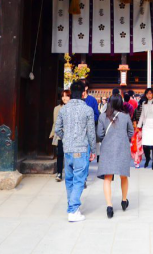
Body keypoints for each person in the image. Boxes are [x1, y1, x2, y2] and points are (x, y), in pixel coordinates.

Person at [54, 81, 96, 222]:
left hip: (68, 149)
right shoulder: (88, 110)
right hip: (81, 149)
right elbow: (91, 132)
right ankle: (73, 210)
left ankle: (71, 205)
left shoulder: (64, 109)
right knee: (79, 179)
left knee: (69, 179)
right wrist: (94, 149)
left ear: (71, 93)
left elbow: (57, 129)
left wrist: (65, 138)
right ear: (83, 93)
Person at [97, 93, 135, 219]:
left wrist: (108, 139)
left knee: (107, 178)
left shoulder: (103, 116)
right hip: (122, 148)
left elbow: (100, 134)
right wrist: (124, 138)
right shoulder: (125, 116)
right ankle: (124, 200)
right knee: (123, 176)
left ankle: (109, 206)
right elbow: (131, 131)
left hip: (107, 149)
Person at [49, 89, 71, 182]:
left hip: (71, 134)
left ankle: (70, 173)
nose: (64, 98)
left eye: (66, 96)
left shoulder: (73, 108)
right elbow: (55, 122)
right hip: (61, 134)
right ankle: (59, 173)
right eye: (63, 96)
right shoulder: (57, 108)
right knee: (60, 153)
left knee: (70, 155)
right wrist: (53, 133)